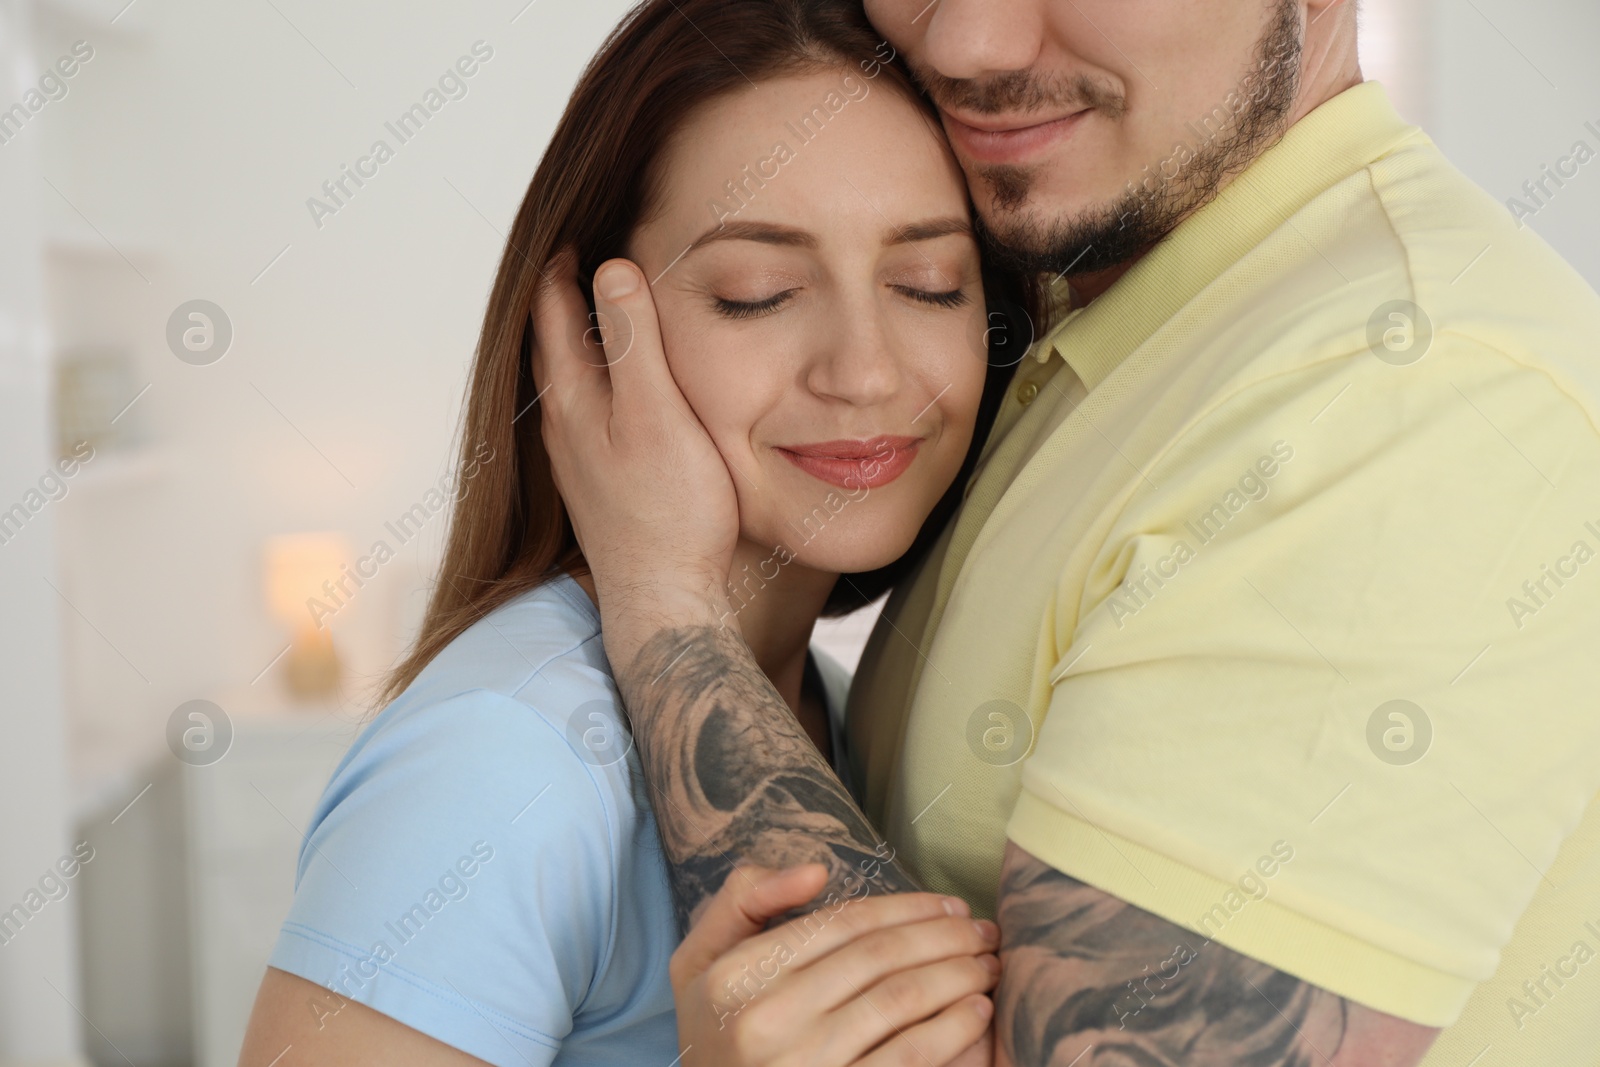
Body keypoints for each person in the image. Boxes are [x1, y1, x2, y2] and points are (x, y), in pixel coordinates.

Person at [534, 0, 1600, 1064]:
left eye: (922, 285)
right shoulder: (1113, 321)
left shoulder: (1406, 390)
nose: (964, 44)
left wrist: (668, 601)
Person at [236, 0, 1045, 1062]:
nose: (866, 371)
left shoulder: (825, 708)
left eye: (927, 284)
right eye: (758, 294)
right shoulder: (504, 753)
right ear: (581, 337)